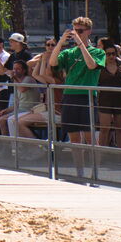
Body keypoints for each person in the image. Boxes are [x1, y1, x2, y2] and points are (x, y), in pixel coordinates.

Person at [45, 16, 106, 158]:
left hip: (87, 97)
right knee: (74, 139)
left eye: (80, 31)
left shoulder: (98, 52)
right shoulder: (68, 53)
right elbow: (52, 63)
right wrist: (61, 41)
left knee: (90, 139)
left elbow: (91, 65)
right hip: (69, 96)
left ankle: (95, 168)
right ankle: (79, 169)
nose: (76, 34)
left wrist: (80, 44)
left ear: (89, 31)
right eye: (75, 31)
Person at [95, 40, 121, 148]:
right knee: (104, 129)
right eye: (108, 54)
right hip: (105, 100)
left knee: (120, 129)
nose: (111, 56)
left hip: (120, 100)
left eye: (113, 54)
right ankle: (102, 153)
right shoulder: (100, 66)